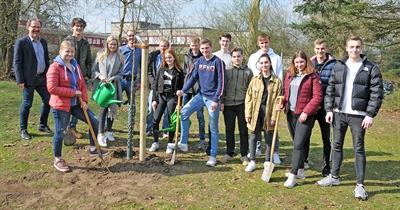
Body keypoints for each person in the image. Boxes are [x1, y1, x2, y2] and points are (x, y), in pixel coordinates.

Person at [317, 36, 384, 201]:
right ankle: (334, 177)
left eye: (357, 47)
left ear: (361, 48)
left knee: (358, 148)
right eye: (351, 47)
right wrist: (329, 110)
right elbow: (331, 89)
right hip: (339, 113)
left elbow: (377, 93)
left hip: (359, 116)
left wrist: (370, 114)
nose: (354, 50)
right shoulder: (339, 66)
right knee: (337, 146)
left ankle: (360, 185)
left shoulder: (370, 68)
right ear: (346, 48)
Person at [47, 41, 109, 172]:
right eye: (67, 51)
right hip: (61, 105)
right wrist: (73, 93)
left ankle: (93, 148)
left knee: (94, 122)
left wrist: (84, 101)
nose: (70, 54)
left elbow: (81, 85)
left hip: (77, 104)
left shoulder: (75, 65)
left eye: (72, 52)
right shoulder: (54, 67)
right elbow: (52, 88)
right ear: (60, 52)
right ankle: (57, 159)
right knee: (60, 132)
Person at [174, 38, 225, 167]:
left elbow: (222, 83)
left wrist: (216, 99)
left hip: (212, 99)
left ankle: (213, 156)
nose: (204, 50)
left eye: (206, 48)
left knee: (213, 128)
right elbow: (193, 78)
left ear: (211, 47)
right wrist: (183, 90)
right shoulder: (199, 61)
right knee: (184, 112)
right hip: (201, 95)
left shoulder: (218, 62)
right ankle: (183, 143)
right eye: (202, 49)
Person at [278, 51, 322, 188]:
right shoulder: (290, 74)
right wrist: (281, 103)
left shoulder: (313, 76)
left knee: (297, 144)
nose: (299, 65)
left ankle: (293, 175)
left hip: (305, 116)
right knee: (298, 143)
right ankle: (301, 170)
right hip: (291, 113)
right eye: (296, 62)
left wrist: (307, 111)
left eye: (301, 62)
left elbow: (317, 96)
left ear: (306, 61)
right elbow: (286, 93)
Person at [13, 18, 53, 140]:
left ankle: (43, 125)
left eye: (38, 27)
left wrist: (48, 75)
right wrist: (20, 80)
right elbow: (17, 62)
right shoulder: (21, 42)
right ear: (28, 27)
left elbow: (46, 60)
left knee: (48, 101)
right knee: (27, 104)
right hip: (28, 79)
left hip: (42, 78)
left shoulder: (43, 42)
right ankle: (23, 129)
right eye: (33, 27)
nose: (36, 29)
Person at [247, 33, 283, 163]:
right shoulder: (252, 57)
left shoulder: (277, 58)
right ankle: (256, 150)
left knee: (271, 128)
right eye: (262, 43)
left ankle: (275, 152)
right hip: (257, 95)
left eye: (266, 42)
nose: (264, 45)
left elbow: (279, 77)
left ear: (269, 42)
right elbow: (251, 76)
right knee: (255, 128)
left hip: (271, 95)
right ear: (258, 44)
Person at [303, 39, 336, 175]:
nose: (320, 51)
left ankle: (326, 164)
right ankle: (304, 160)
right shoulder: (309, 63)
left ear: (326, 48)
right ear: (314, 49)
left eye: (322, 48)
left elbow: (334, 86)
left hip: (325, 107)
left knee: (326, 138)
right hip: (312, 107)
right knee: (306, 135)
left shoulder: (334, 65)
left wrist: (329, 105)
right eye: (317, 48)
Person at [220, 47, 253, 165]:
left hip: (242, 104)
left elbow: (251, 89)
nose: (236, 58)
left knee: (243, 130)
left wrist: (250, 106)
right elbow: (222, 87)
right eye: (234, 56)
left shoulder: (248, 72)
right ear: (231, 57)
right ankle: (229, 153)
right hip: (228, 104)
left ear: (242, 56)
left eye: (239, 56)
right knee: (229, 130)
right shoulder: (226, 70)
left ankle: (244, 154)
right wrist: (222, 102)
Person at [150, 48, 184, 154]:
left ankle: (170, 144)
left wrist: (180, 103)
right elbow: (155, 85)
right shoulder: (161, 70)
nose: (168, 59)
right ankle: (155, 142)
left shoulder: (179, 72)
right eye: (166, 57)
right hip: (161, 96)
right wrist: (154, 100)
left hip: (172, 97)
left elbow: (181, 88)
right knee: (155, 119)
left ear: (174, 58)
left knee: (170, 120)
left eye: (170, 57)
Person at [92, 36, 124, 147]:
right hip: (102, 86)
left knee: (112, 108)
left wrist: (113, 78)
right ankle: (100, 134)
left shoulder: (120, 57)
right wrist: (101, 77)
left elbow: (120, 73)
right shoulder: (100, 56)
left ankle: (109, 131)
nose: (112, 46)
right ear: (107, 44)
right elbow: (94, 70)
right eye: (111, 44)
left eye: (114, 44)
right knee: (103, 109)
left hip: (112, 86)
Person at [64, 17, 93, 139]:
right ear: (72, 27)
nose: (79, 28)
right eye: (77, 26)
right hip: (69, 75)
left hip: (82, 77)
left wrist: (87, 74)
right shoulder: (67, 40)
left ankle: (73, 126)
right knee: (67, 101)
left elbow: (89, 60)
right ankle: (65, 127)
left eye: (81, 26)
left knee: (78, 102)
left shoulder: (85, 43)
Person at [182, 36, 206, 149]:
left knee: (200, 116)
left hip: (198, 89)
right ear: (190, 46)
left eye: (196, 46)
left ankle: (202, 139)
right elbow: (184, 72)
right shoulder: (187, 57)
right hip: (187, 89)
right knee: (184, 113)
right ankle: (184, 138)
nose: (194, 48)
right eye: (193, 46)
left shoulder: (202, 58)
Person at [147, 39, 170, 143]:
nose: (163, 48)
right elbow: (149, 72)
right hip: (154, 86)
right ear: (158, 46)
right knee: (151, 108)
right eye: (161, 46)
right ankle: (149, 128)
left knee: (166, 110)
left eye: (165, 46)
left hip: (166, 87)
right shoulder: (153, 57)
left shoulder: (170, 58)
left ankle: (165, 130)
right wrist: (153, 83)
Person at [120, 29, 142, 128]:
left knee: (132, 104)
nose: (131, 37)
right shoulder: (121, 49)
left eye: (133, 36)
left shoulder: (139, 50)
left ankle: (130, 126)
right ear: (126, 37)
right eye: (129, 36)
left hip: (132, 80)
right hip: (121, 79)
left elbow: (142, 67)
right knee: (113, 101)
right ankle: (108, 126)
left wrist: (140, 82)